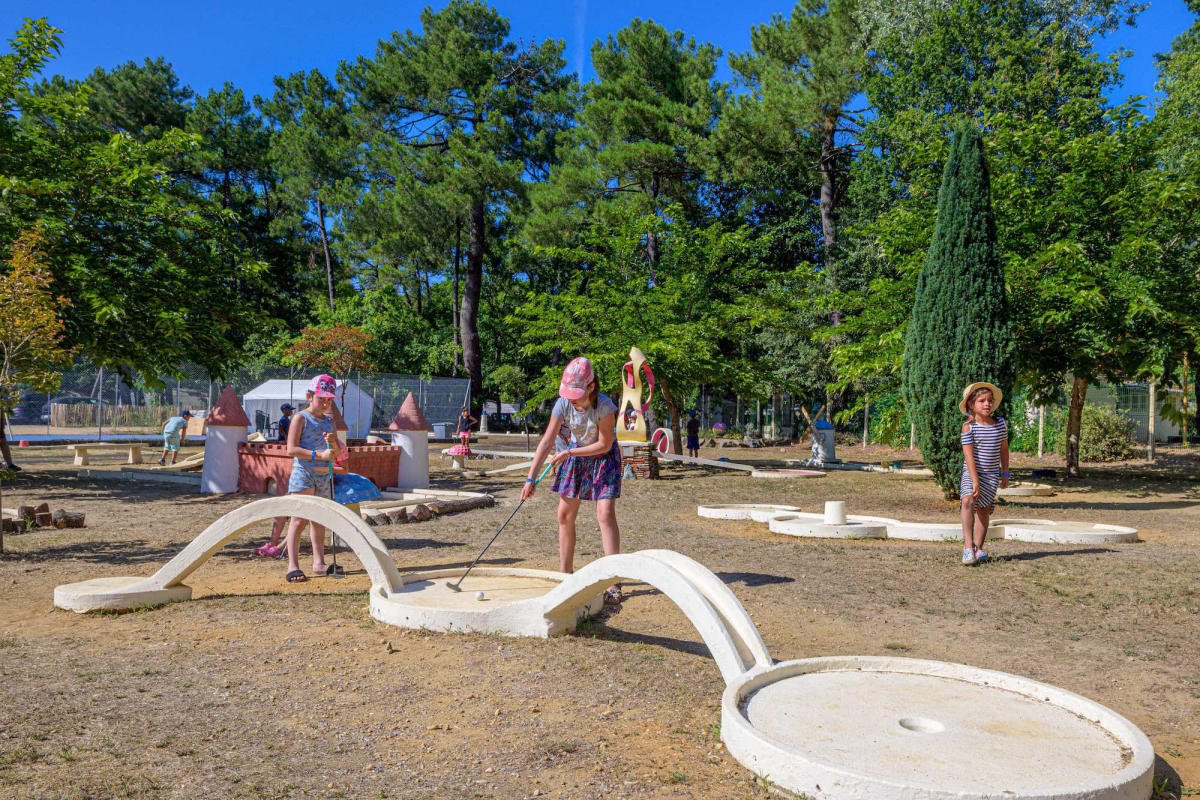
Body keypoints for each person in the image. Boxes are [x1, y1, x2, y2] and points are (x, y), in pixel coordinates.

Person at [523, 357, 624, 604]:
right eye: (568, 395)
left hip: (602, 459)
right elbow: (547, 441)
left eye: (576, 395)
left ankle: (613, 582)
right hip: (576, 457)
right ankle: (565, 576)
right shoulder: (563, 405)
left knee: (605, 514)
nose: (571, 399)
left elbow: (604, 444)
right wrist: (530, 478)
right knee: (564, 516)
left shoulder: (605, 406)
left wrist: (568, 452)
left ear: (590, 387)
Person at [280, 375, 347, 582]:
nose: (325, 404)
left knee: (319, 520)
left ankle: (319, 563)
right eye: (321, 399)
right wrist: (318, 455)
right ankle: (293, 565)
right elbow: (291, 449)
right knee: (299, 519)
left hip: (323, 475)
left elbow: (335, 453)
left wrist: (333, 443)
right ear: (309, 396)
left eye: (329, 400)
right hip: (304, 474)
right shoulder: (300, 418)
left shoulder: (329, 421)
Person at [959, 381, 1009, 566]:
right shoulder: (968, 427)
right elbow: (968, 454)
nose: (987, 404)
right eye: (981, 400)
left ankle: (978, 548)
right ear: (971, 404)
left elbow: (1004, 450)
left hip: (991, 476)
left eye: (989, 400)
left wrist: (1005, 474)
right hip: (971, 474)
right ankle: (967, 547)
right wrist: (974, 480)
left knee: (984, 508)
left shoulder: (1000, 424)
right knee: (967, 501)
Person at [254, 400, 303, 558]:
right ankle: (274, 543)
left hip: (312, 483)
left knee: (299, 517)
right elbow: (283, 431)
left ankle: (280, 547)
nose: (291, 412)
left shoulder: (290, 420)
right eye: (289, 410)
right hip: (302, 480)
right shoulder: (285, 420)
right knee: (285, 510)